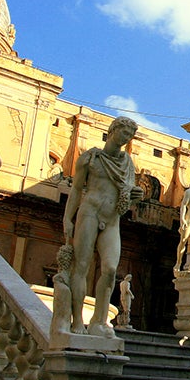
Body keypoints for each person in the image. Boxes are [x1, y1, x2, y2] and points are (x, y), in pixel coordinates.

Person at [63, 116, 143, 338]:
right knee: (81, 265)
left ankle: (99, 321)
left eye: (130, 136)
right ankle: (77, 319)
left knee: (109, 270)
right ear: (113, 130)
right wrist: (67, 219)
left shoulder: (127, 163)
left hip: (112, 219)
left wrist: (135, 196)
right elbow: (77, 190)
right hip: (89, 212)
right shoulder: (90, 158)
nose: (127, 139)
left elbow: (126, 197)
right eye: (124, 133)